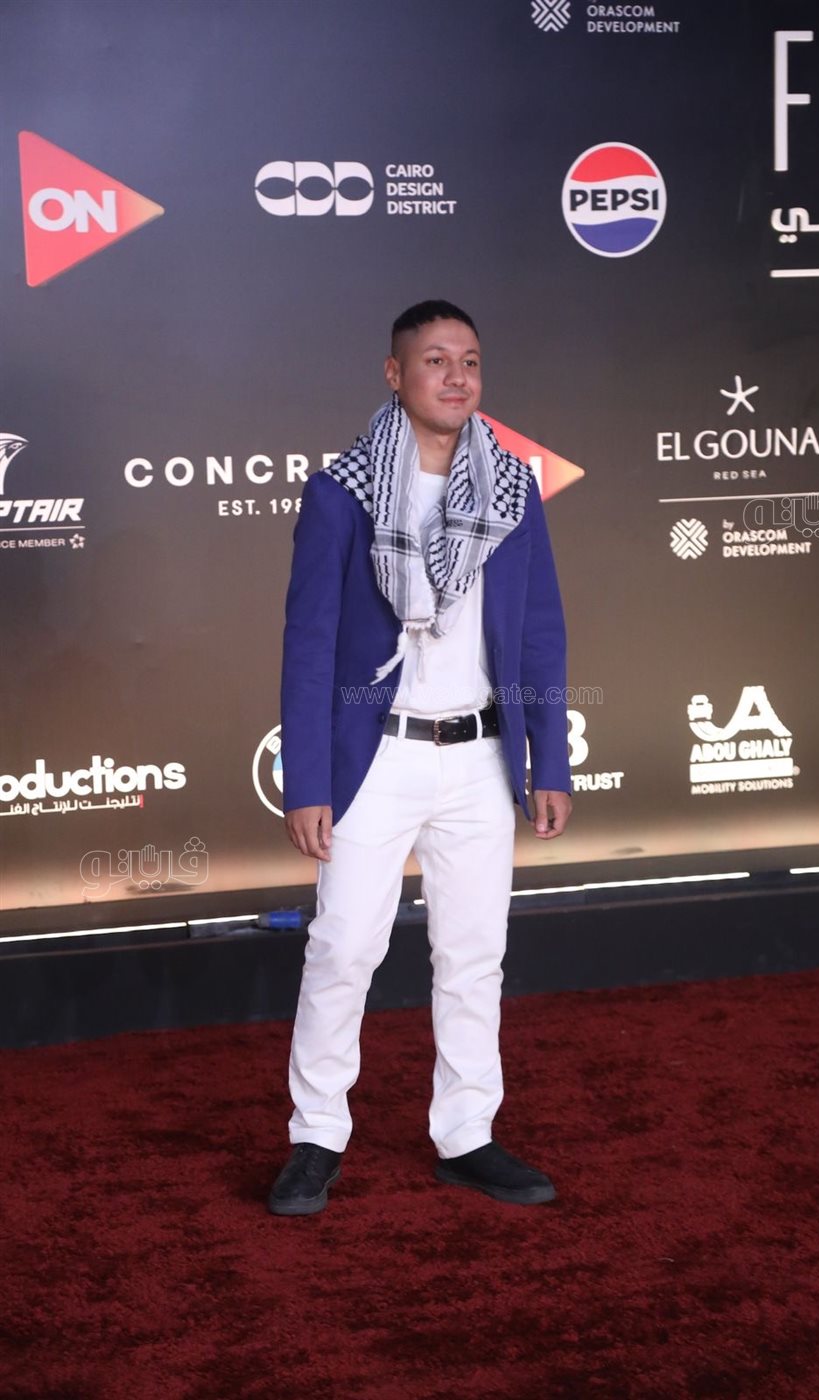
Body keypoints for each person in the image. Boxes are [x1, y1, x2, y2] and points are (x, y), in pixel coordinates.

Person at [268, 300, 572, 1216]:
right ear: (394, 375)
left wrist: (549, 761)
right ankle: (316, 1138)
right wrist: (307, 780)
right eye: (434, 360)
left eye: (468, 360)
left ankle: (466, 1135)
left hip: (480, 757)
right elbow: (308, 644)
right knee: (342, 950)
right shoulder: (342, 494)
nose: (455, 376)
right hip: (376, 756)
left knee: (474, 955)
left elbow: (540, 634)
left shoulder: (512, 490)